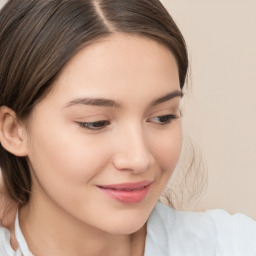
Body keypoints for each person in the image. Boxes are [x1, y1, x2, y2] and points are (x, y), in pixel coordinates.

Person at [0, 0, 256, 255]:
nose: (139, 159)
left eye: (162, 117)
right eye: (95, 123)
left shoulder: (235, 245)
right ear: (13, 130)